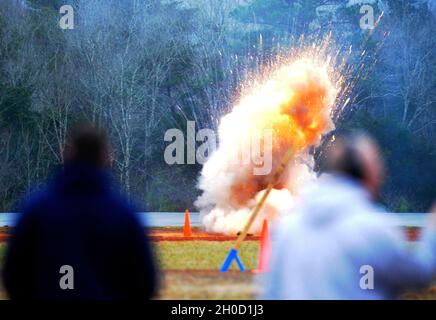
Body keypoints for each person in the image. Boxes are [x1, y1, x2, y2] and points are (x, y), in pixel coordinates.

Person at [262, 132, 436, 299]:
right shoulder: (372, 228)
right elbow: (420, 275)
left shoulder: (287, 228)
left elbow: (271, 292)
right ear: (368, 173)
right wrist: (432, 229)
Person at [2, 124, 158, 300]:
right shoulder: (124, 213)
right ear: (104, 156)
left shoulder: (35, 208)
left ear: (68, 153)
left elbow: (13, 275)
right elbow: (146, 283)